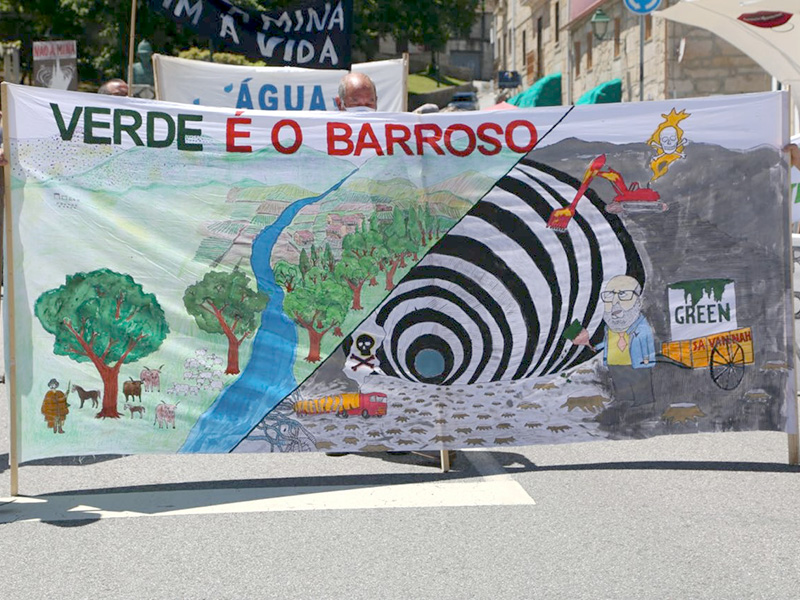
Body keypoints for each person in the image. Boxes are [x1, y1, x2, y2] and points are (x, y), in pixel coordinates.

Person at [573, 275, 656, 424]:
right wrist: (595, 347)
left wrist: (647, 359)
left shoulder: (642, 327)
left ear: (638, 301)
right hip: (615, 364)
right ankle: (623, 411)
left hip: (637, 364)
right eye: (609, 295)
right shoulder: (609, 328)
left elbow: (647, 344)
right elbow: (608, 342)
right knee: (622, 390)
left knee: (641, 391)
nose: (615, 301)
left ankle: (644, 412)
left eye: (623, 294)